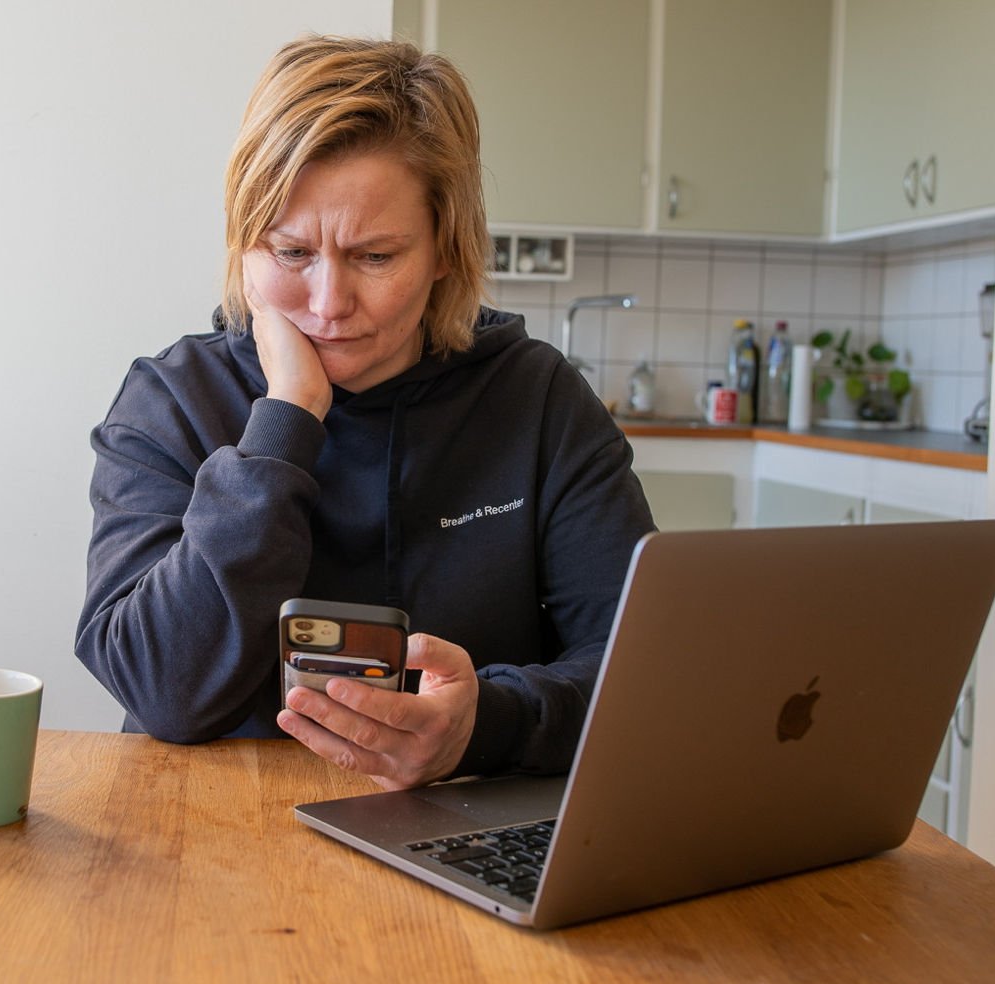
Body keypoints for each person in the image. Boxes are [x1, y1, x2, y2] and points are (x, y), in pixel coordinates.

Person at [74, 35, 654, 790]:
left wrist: (487, 723)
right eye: (290, 253)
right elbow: (161, 691)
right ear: (244, 248)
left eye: (375, 257)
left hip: (460, 821)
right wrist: (286, 422)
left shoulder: (538, 399)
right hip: (213, 824)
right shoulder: (173, 400)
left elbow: (642, 670)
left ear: (446, 250)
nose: (328, 304)